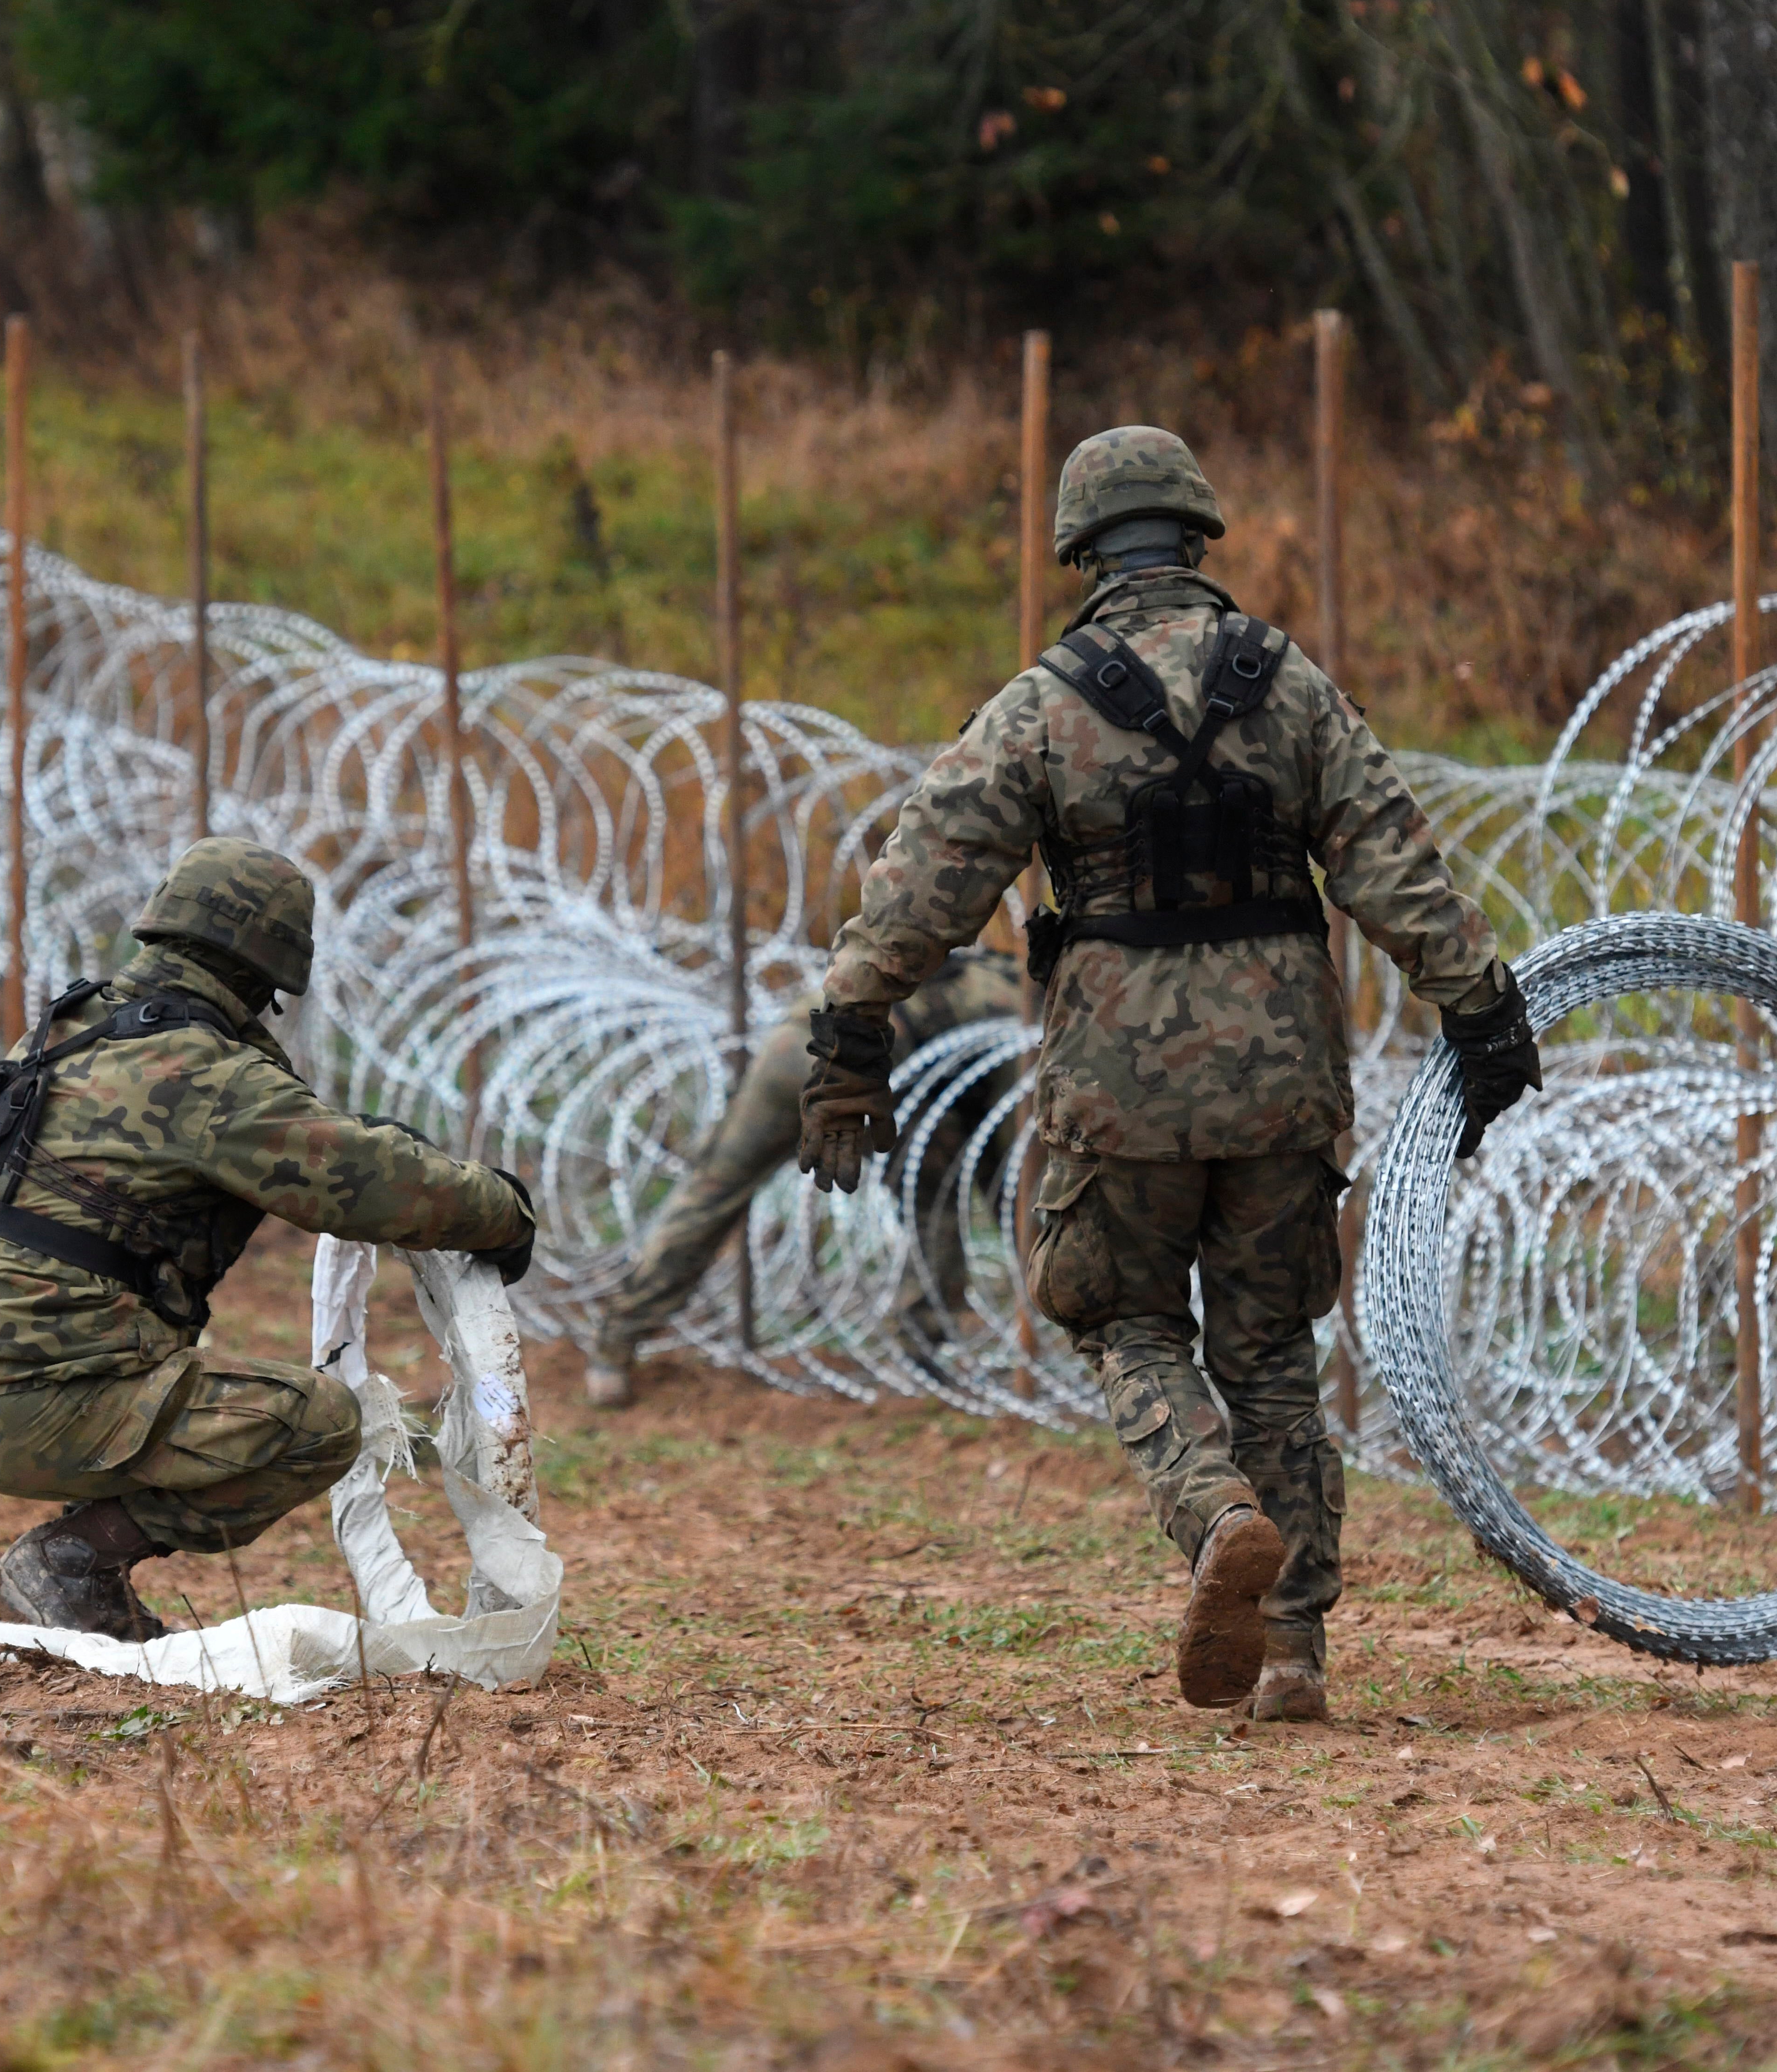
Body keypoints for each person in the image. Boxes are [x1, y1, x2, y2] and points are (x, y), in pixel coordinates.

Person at [801, 427, 1540, 1720]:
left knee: (1126, 1322)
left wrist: (848, 1030)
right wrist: (1480, 1006)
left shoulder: (1045, 703)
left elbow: (927, 881)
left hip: (1116, 1086)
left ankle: (1214, 1516)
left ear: (1082, 551)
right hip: (1282, 1081)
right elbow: (1390, 862)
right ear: (1199, 537)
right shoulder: (1290, 686)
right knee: (1270, 1354)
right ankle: (1297, 1648)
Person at [0, 837, 539, 1639]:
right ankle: (71, 1560)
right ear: (265, 973)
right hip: (24, 1404)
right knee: (315, 1421)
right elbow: (370, 1180)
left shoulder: (68, 1030)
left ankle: (76, 1564)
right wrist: (501, 1210)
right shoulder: (205, 1071)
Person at [580, 947, 1026, 1408]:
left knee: (712, 1191)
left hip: (795, 1046)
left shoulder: (954, 961)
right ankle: (918, 1358)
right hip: (866, 1072)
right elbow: (1011, 1164)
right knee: (932, 1205)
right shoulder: (1016, 1006)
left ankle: (615, 1343)